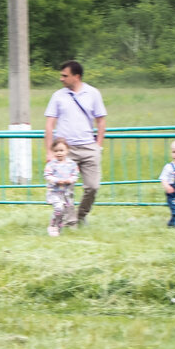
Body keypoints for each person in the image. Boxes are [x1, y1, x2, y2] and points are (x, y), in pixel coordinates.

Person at [43, 60, 108, 226]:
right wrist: (50, 152)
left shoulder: (93, 93)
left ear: (76, 76)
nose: (61, 79)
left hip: (88, 147)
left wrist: (98, 146)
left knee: (92, 187)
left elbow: (101, 120)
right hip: (65, 149)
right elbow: (49, 125)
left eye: (65, 75)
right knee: (64, 189)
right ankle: (70, 222)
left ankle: (80, 215)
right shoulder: (58, 96)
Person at [43, 138, 80, 236]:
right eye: (56, 151)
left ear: (67, 150)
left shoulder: (72, 164)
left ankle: (58, 227)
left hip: (66, 193)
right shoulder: (51, 164)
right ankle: (52, 226)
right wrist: (56, 180)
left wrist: (70, 180)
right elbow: (47, 175)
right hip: (54, 192)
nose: (59, 153)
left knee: (63, 211)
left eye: (61, 150)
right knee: (58, 208)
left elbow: (75, 175)